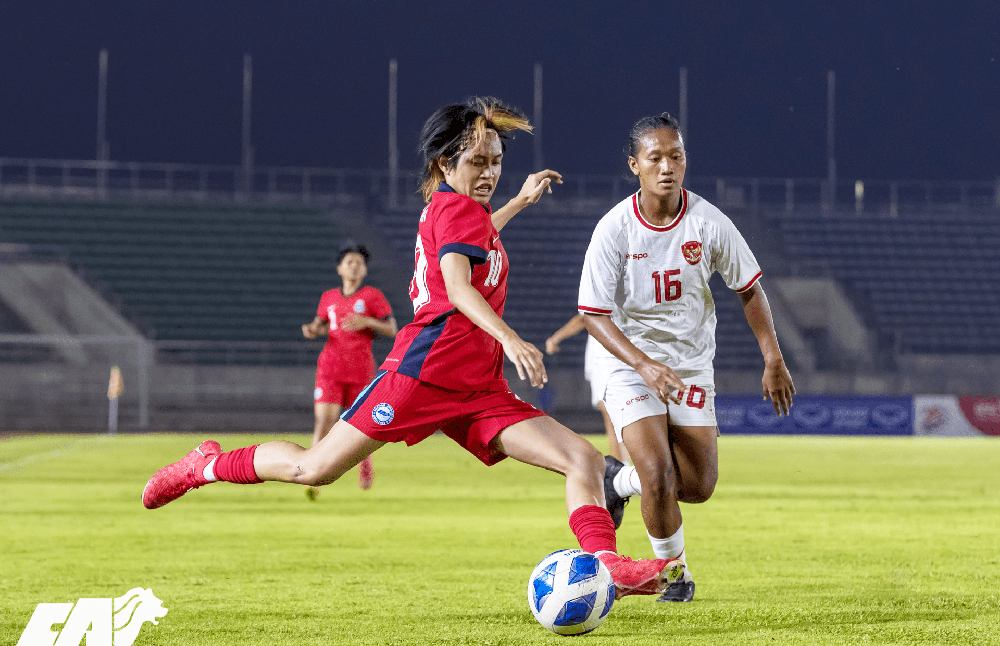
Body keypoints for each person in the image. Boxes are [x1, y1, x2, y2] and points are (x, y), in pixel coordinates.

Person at [142, 97, 685, 598]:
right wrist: (512, 338)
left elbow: (478, 242)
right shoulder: (454, 211)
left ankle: (605, 564)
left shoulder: (462, 212)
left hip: (475, 386)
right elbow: (457, 286)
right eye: (477, 161)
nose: (490, 171)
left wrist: (518, 200)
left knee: (582, 459)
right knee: (314, 469)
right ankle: (207, 464)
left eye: (495, 160)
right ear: (445, 166)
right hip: (423, 374)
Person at [578, 112, 795, 603]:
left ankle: (618, 482)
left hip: (691, 366)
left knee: (697, 486)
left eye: (675, 156)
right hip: (631, 366)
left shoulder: (708, 222)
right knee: (658, 472)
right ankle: (676, 575)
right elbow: (593, 314)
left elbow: (750, 290)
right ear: (635, 164)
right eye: (655, 157)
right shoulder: (614, 229)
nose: (667, 166)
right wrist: (642, 365)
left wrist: (773, 358)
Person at [301, 243, 397, 495]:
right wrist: (312, 330)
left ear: (364, 270)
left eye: (359, 263)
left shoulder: (372, 297)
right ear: (340, 268)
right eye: (350, 262)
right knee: (324, 421)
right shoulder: (328, 298)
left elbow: (392, 328)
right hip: (330, 369)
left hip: (360, 371)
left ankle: (365, 465)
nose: (355, 266)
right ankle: (312, 475)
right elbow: (321, 325)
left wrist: (367, 321)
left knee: (360, 426)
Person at [545, 315, 632, 527]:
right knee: (614, 413)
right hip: (615, 349)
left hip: (608, 353)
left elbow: (584, 317)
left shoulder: (603, 287)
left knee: (611, 413)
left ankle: (622, 472)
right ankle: (623, 469)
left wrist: (555, 338)